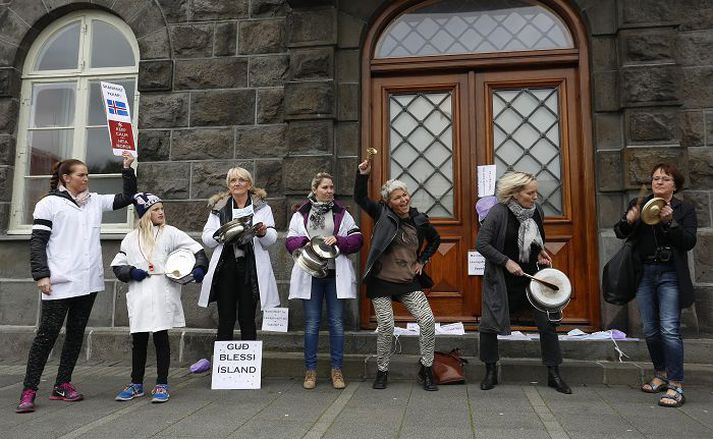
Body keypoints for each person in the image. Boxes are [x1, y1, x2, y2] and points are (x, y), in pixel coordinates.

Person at [16, 152, 136, 414]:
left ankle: (62, 384)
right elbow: (38, 242)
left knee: (75, 334)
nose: (86, 179)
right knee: (46, 337)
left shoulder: (94, 202)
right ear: (66, 178)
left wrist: (127, 168)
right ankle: (29, 390)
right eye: (81, 175)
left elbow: (127, 197)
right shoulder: (49, 204)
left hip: (88, 281)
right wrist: (41, 275)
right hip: (59, 280)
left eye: (87, 175)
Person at [476, 171, 571, 394]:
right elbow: (482, 244)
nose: (535, 197)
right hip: (501, 279)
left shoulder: (536, 211)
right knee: (489, 325)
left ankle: (554, 374)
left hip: (531, 278)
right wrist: (506, 261)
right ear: (515, 193)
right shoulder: (498, 213)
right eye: (530, 193)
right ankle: (490, 371)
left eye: (536, 192)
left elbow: (538, 239)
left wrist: (540, 253)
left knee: (547, 323)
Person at [111, 193, 208, 403]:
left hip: (162, 289)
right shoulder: (130, 238)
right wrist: (130, 272)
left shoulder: (170, 233)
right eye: (155, 209)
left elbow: (196, 249)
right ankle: (136, 384)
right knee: (139, 340)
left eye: (162, 208)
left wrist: (199, 268)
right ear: (145, 213)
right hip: (140, 292)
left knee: (161, 338)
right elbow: (118, 264)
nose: (161, 212)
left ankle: (162, 384)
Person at [614, 163, 697, 408]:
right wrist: (629, 220)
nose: (658, 182)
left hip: (670, 273)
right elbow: (620, 232)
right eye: (655, 178)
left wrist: (670, 222)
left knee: (669, 328)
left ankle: (676, 384)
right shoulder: (640, 204)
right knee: (650, 329)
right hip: (645, 273)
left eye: (665, 179)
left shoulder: (684, 209)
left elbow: (688, 242)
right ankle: (660, 374)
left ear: (675, 185)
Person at [354, 159, 441, 391]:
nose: (403, 200)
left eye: (405, 195)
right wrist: (362, 175)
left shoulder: (419, 220)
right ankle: (382, 370)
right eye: (397, 198)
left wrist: (423, 260)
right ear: (388, 202)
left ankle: (427, 369)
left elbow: (435, 239)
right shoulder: (381, 213)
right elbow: (360, 199)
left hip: (408, 281)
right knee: (386, 325)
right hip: (381, 281)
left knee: (428, 321)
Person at [286, 172, 363, 390]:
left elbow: (357, 239)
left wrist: (339, 239)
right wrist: (305, 242)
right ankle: (310, 371)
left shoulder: (342, 213)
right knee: (311, 325)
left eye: (331, 187)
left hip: (334, 276)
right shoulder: (302, 213)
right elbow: (290, 239)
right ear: (315, 189)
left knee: (337, 324)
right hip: (310, 274)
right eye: (325, 187)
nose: (329, 191)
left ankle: (336, 370)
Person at [198, 167, 279, 342]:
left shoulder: (262, 207)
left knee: (247, 317)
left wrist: (263, 232)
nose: (237, 184)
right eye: (233, 180)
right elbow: (207, 238)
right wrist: (222, 235)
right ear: (228, 185)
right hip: (225, 266)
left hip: (251, 267)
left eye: (241, 180)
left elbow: (271, 239)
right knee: (226, 317)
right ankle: (223, 366)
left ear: (249, 184)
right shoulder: (218, 208)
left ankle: (249, 365)